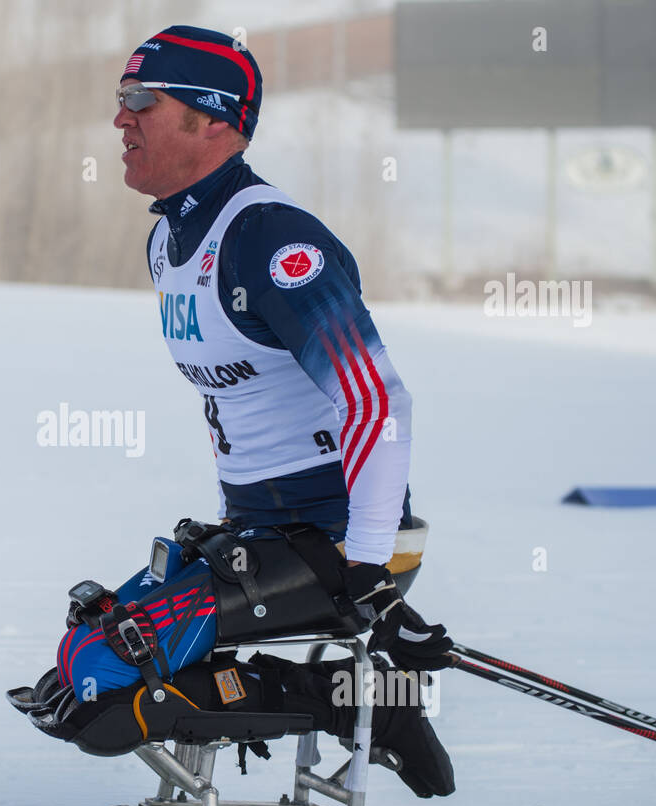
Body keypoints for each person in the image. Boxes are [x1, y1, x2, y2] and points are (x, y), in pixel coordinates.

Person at [113, 25, 451, 671]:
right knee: (89, 651)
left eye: (140, 101)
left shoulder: (271, 242)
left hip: (339, 546)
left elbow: (378, 401)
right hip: (261, 529)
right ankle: (342, 700)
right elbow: (247, 397)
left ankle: (360, 708)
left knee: (116, 666)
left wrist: (369, 562)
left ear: (209, 118)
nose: (119, 119)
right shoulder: (170, 239)